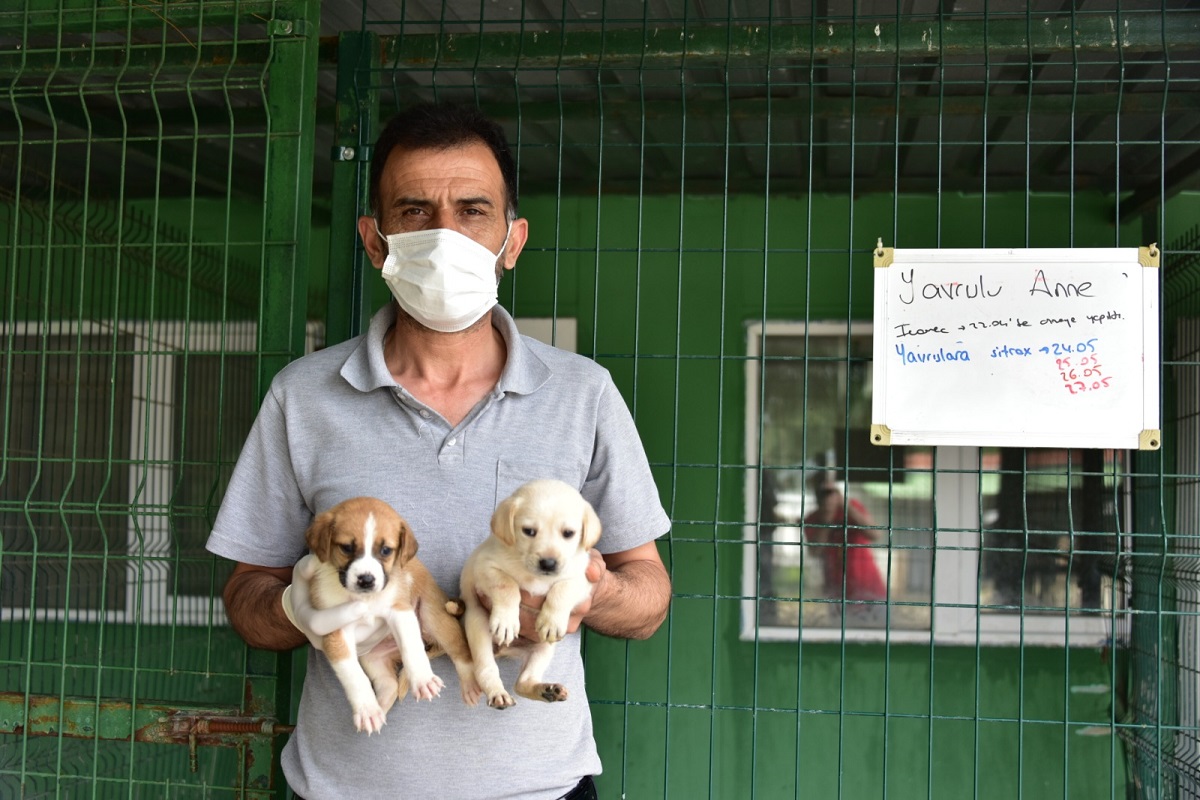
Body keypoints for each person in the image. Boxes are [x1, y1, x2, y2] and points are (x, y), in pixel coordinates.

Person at [205, 103, 672, 800]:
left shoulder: (584, 394)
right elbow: (248, 596)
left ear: (511, 240)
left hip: (538, 790)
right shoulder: (303, 397)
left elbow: (650, 598)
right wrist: (300, 608)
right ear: (374, 241)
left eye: (473, 210)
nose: (445, 235)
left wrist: (586, 588)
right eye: (416, 211)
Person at [803, 483, 886, 601]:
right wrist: (826, 520)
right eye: (823, 494)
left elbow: (875, 534)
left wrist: (846, 507)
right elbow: (814, 551)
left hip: (868, 585)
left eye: (832, 493)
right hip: (837, 589)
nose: (828, 498)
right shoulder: (812, 519)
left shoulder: (853, 508)